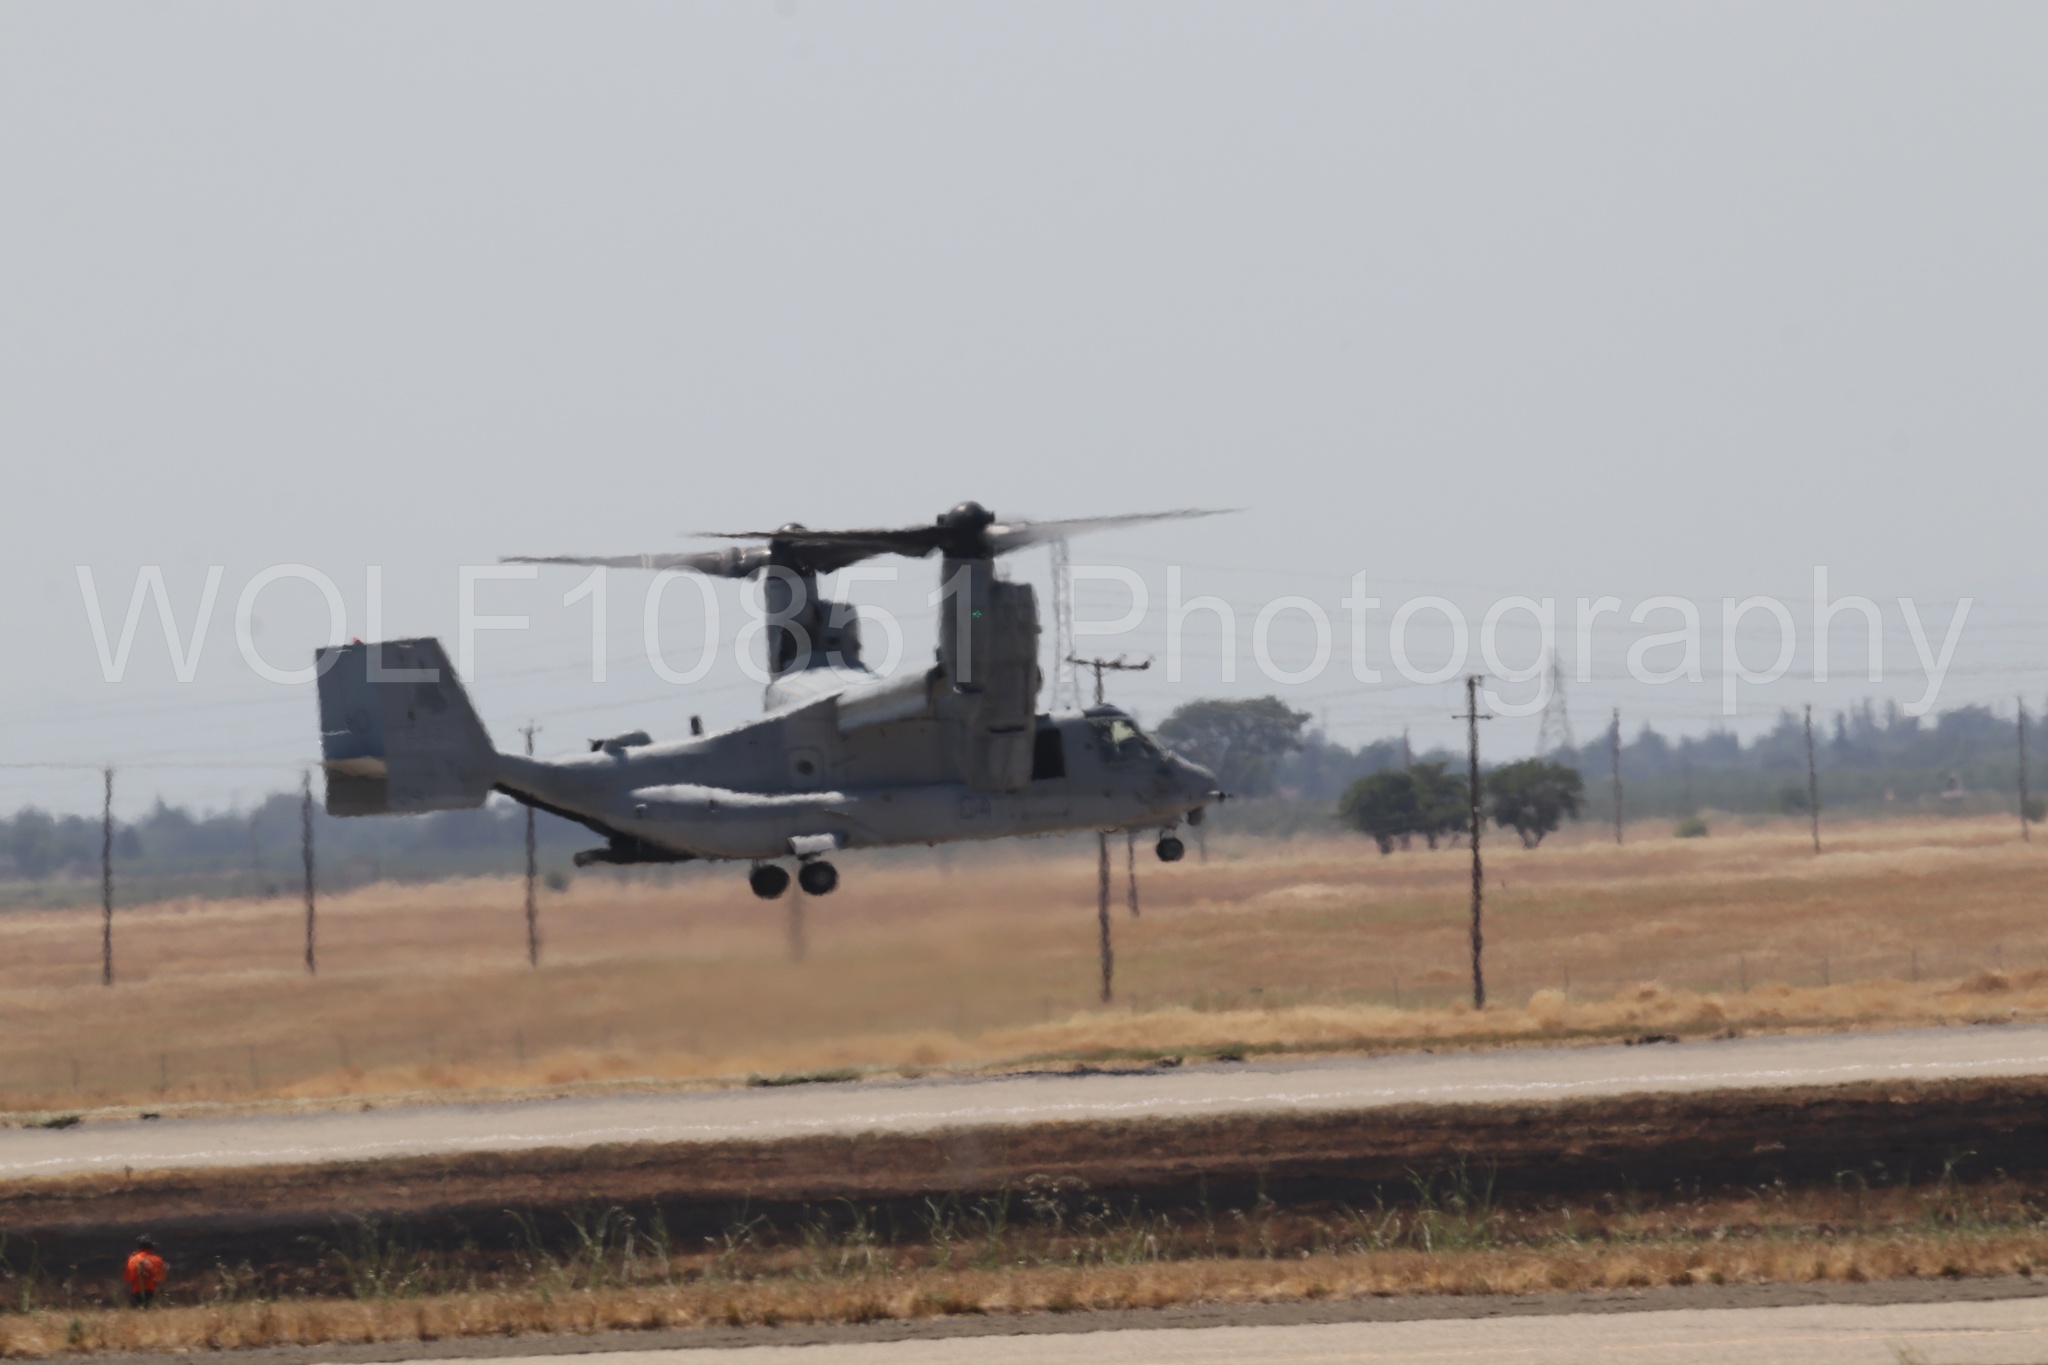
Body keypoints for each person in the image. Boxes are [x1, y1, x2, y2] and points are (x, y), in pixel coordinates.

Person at [123, 1236, 165, 1308]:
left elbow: (127, 1278)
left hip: (136, 1291)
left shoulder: (132, 1259)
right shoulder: (157, 1259)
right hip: (151, 1291)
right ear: (152, 1247)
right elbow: (161, 1278)